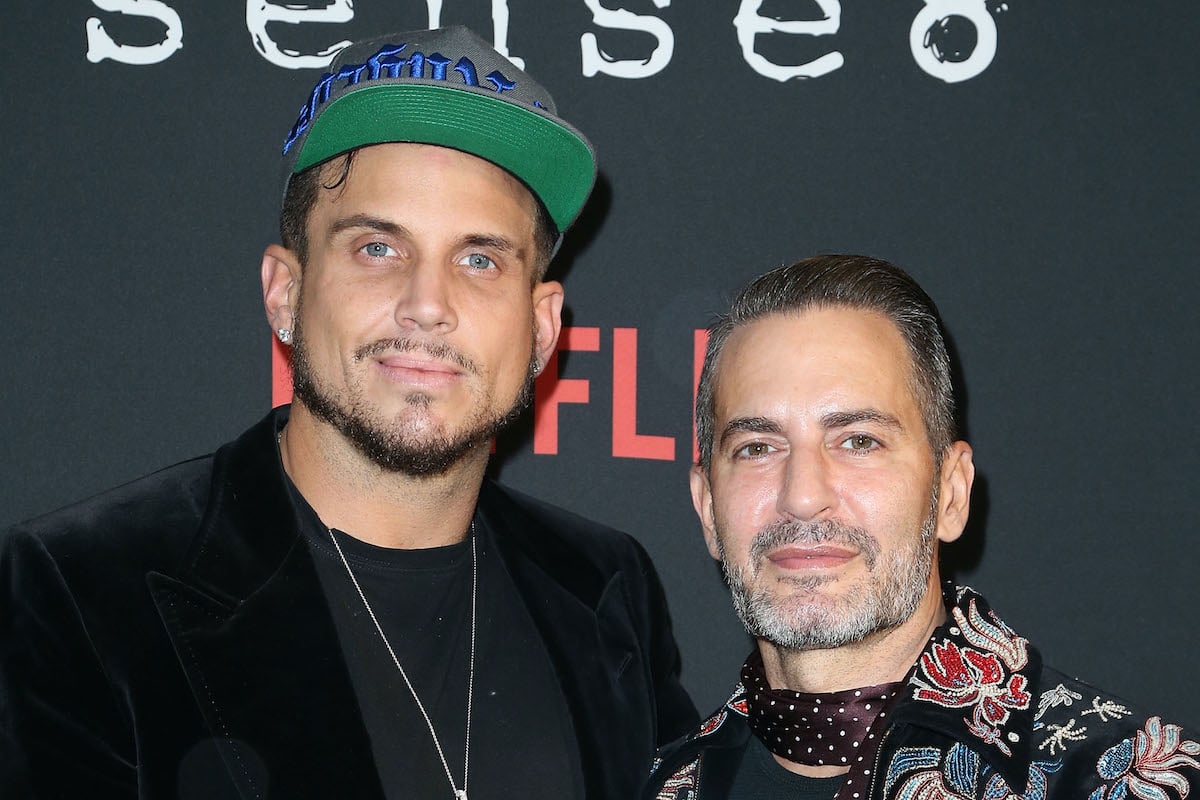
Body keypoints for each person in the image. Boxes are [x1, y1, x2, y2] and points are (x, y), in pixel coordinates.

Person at [0, 26, 697, 800]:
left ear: (541, 327)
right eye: (376, 248)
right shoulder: (85, 589)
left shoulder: (606, 588)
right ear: (285, 292)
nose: (427, 305)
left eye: (479, 259)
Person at [644, 254, 1199, 799]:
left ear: (951, 493)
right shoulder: (663, 785)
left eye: (859, 441)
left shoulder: (1125, 782)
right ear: (708, 507)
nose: (803, 496)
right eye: (758, 447)